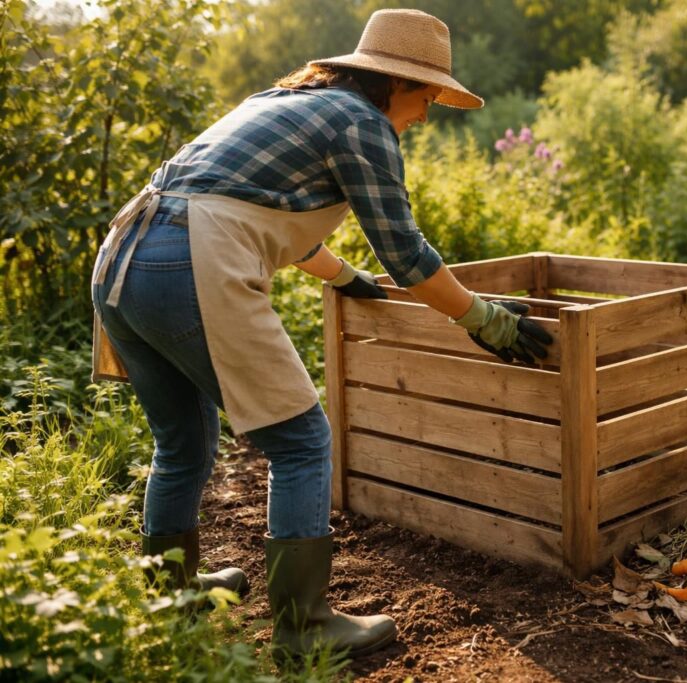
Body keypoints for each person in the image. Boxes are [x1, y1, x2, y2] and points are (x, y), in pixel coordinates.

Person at [90, 8, 552, 661]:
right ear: (396, 84)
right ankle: (304, 628)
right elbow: (407, 253)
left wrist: (342, 275)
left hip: (122, 255)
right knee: (302, 440)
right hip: (187, 260)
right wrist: (484, 318)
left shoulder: (288, 101)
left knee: (183, 439)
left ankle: (172, 592)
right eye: (426, 99)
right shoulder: (363, 123)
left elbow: (250, 204)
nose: (424, 117)